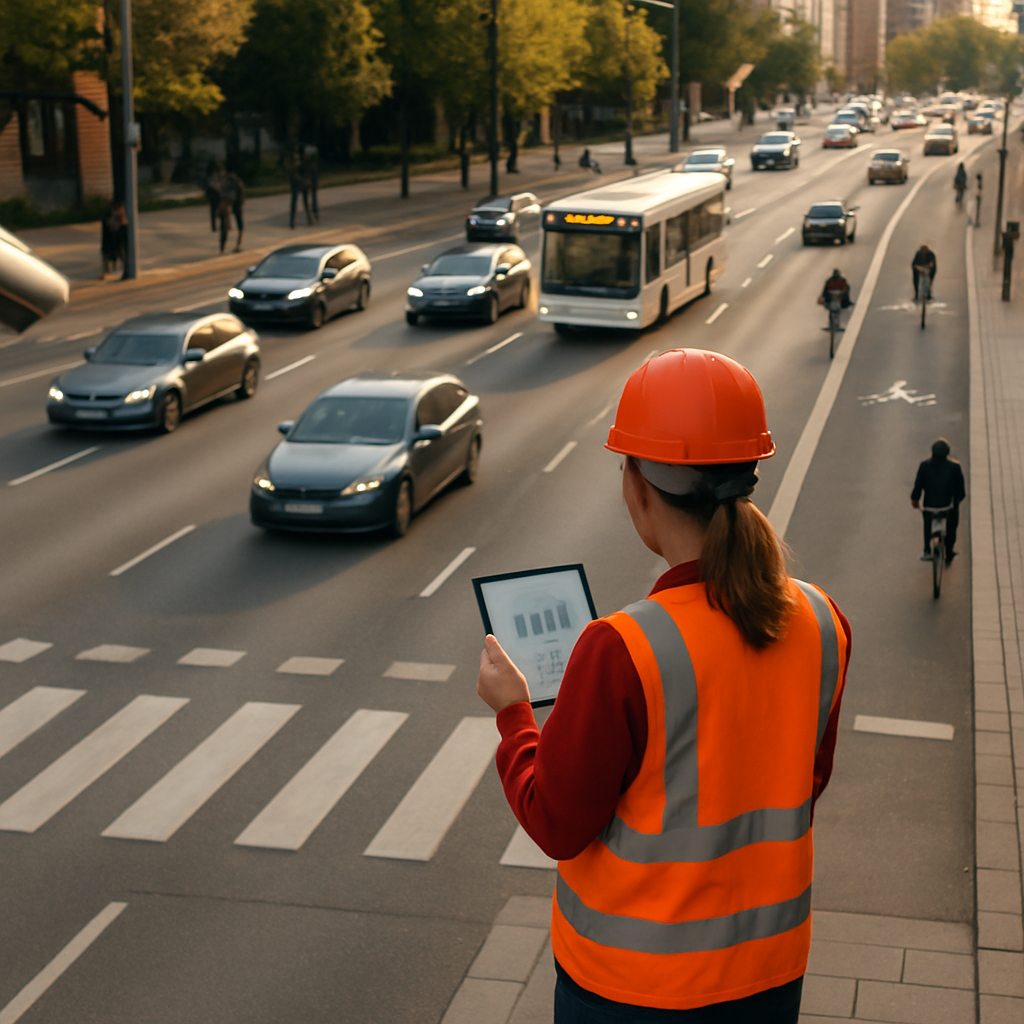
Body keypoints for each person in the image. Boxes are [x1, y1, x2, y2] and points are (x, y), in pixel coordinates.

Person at [477, 348, 851, 1023]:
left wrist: (514, 717)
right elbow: (803, 781)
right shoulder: (824, 621)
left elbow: (557, 822)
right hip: (769, 975)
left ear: (638, 487)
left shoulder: (621, 648)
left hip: (632, 990)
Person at [912, 438, 966, 564]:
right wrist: (956, 503)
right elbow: (961, 491)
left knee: (927, 523)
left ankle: (926, 549)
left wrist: (915, 500)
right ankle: (949, 550)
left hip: (929, 506)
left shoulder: (924, 465)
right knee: (952, 526)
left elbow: (918, 485)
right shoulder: (954, 467)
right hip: (947, 507)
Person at [99, 201, 127, 278]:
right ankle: (107, 271)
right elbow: (110, 226)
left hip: (119, 243)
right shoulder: (108, 217)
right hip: (110, 243)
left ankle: (124, 270)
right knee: (107, 256)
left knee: (122, 255)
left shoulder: (122, 219)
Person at [289, 152, 312, 228]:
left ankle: (292, 221)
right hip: (301, 183)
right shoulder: (303, 162)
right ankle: (309, 219)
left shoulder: (295, 163)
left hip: (298, 183)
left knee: (296, 202)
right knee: (304, 201)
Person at [204, 159, 221, 233]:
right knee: (219, 211)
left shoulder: (208, 174)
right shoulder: (214, 175)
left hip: (211, 196)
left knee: (213, 212)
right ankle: (221, 225)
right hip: (216, 195)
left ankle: (214, 227)